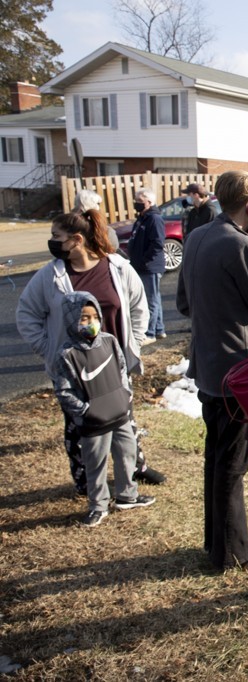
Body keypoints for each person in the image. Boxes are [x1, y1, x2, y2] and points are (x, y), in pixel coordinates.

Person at [176, 169, 248, 572]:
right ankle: (232, 553)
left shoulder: (198, 235)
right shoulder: (238, 243)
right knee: (232, 463)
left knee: (217, 456)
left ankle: (219, 541)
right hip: (233, 370)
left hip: (206, 363)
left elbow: (184, 303)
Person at [17, 211, 166, 493]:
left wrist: (131, 343)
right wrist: (50, 350)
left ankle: (137, 468)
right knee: (78, 427)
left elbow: (138, 306)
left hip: (113, 365)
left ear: (76, 240)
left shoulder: (118, 268)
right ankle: (85, 480)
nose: (51, 242)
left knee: (125, 420)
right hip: (75, 371)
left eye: (56, 237)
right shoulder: (52, 276)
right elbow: (27, 313)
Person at [53, 292, 156, 527]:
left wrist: (124, 396)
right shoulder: (67, 354)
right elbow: (64, 391)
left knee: (127, 452)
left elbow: (121, 369)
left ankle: (127, 495)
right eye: (84, 318)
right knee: (95, 463)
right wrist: (85, 411)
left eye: (94, 317)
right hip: (93, 422)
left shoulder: (109, 341)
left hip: (119, 414)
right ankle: (98, 505)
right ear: (71, 320)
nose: (91, 323)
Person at [126, 188, 166, 343]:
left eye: (140, 202)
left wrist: (144, 261)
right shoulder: (142, 217)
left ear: (149, 202)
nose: (136, 204)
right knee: (154, 298)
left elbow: (157, 243)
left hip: (150, 266)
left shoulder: (154, 219)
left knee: (150, 301)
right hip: (141, 265)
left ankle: (149, 333)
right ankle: (159, 329)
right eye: (136, 201)